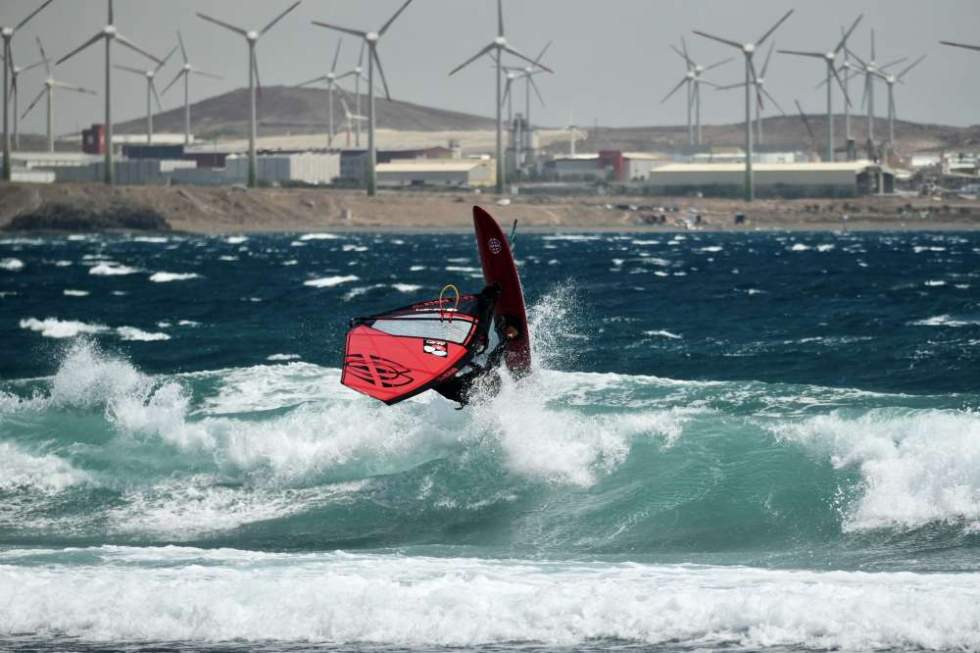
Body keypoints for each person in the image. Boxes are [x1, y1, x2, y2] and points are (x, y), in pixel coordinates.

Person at [434, 284, 520, 407]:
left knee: (475, 357)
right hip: (478, 390)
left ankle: (487, 303)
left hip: (472, 391)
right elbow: (491, 363)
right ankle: (510, 334)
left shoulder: (441, 380)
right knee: (490, 363)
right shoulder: (474, 383)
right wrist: (507, 339)